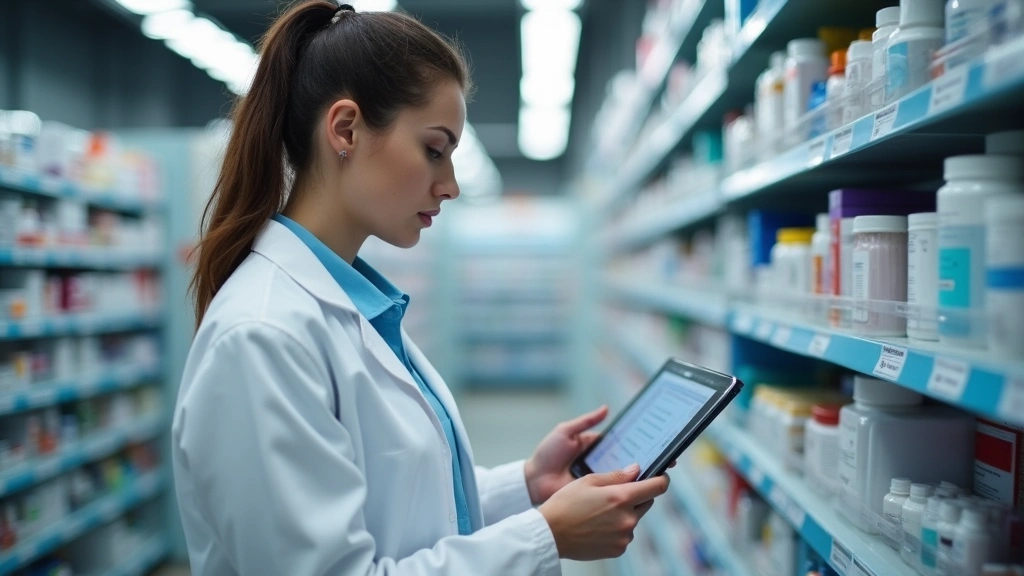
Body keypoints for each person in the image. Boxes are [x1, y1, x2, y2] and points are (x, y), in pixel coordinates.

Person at [171, 2, 670, 575]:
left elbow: (403, 506)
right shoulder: (262, 335)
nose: (451, 185)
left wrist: (529, 483)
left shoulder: (353, 304)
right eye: (434, 151)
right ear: (345, 129)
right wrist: (544, 537)